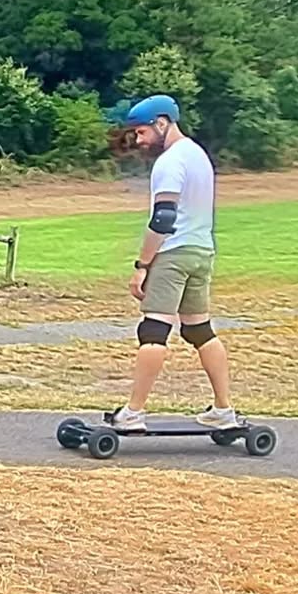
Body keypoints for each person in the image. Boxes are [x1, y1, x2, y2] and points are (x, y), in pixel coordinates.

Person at [107, 93, 237, 432]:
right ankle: (224, 410)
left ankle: (133, 412)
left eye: (142, 132)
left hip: (174, 252)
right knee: (198, 329)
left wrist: (143, 265)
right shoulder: (198, 155)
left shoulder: (170, 162)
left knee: (153, 330)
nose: (138, 140)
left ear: (162, 123)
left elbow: (163, 218)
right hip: (202, 250)